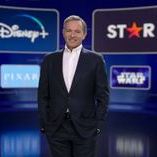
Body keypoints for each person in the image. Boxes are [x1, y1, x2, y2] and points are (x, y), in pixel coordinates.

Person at [38, 15, 109, 157]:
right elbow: (43, 95)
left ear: (84, 34)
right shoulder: (50, 59)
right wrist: (45, 123)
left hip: (85, 127)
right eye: (69, 31)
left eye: (77, 31)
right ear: (63, 33)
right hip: (56, 126)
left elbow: (103, 96)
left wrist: (98, 125)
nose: (72, 35)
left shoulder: (96, 59)